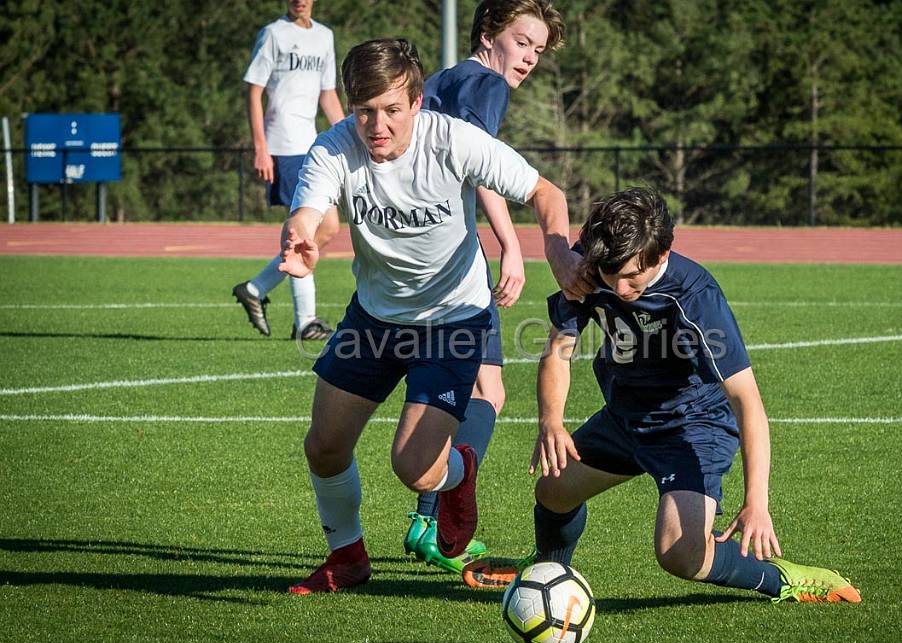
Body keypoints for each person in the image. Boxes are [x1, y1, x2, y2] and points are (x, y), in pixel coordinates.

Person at [279, 38, 583, 594]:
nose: (377, 125)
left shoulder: (456, 141)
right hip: (374, 319)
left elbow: (546, 193)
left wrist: (560, 253)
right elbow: (309, 209)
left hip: (454, 320)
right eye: (365, 109)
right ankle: (347, 557)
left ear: (417, 102)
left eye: (392, 109)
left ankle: (458, 470)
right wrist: (300, 234)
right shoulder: (333, 148)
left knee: (415, 469)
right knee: (323, 446)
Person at [464, 188, 862, 604]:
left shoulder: (696, 297)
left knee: (680, 553)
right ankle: (545, 570)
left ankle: (781, 578)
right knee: (553, 488)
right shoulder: (595, 262)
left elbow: (747, 399)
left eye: (632, 278)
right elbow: (558, 351)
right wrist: (551, 421)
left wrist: (756, 501)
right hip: (626, 416)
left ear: (662, 255)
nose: (618, 289)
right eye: (610, 275)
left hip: (692, 426)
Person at [401, 0, 568, 576]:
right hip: (453, 260)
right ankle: (434, 517)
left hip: (418, 252)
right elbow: (480, 164)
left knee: (479, 384)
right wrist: (511, 243)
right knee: (486, 394)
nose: (529, 58)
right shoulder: (485, 84)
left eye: (538, 50)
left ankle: (427, 515)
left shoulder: (444, 78)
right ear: (488, 34)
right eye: (522, 41)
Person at [232, 0, 343, 341]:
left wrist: (350, 136)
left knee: (327, 230)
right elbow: (254, 93)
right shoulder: (274, 34)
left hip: (312, 146)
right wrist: (261, 148)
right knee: (309, 232)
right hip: (283, 147)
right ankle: (305, 321)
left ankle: (255, 288)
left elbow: (328, 94)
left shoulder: (325, 36)